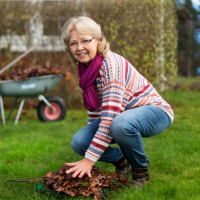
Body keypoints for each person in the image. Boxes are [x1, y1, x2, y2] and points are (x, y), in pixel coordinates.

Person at [61, 16, 174, 186]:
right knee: (80, 142)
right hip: (122, 115)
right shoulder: (86, 68)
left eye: (85, 41)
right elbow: (95, 109)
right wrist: (91, 144)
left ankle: (140, 171)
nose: (79, 48)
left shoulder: (111, 65)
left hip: (155, 111)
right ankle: (123, 161)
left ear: (98, 40)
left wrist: (89, 161)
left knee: (120, 124)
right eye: (73, 43)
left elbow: (110, 118)